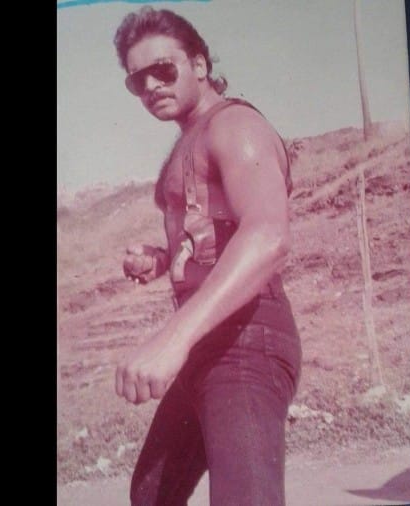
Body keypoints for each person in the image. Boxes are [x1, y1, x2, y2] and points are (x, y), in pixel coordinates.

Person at [113, 6, 302, 506]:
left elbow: (267, 235)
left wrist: (171, 339)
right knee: (151, 494)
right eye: (137, 80)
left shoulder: (234, 125)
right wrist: (161, 259)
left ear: (199, 64)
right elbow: (216, 236)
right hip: (208, 340)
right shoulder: (190, 138)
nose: (151, 85)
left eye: (163, 69)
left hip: (246, 341)